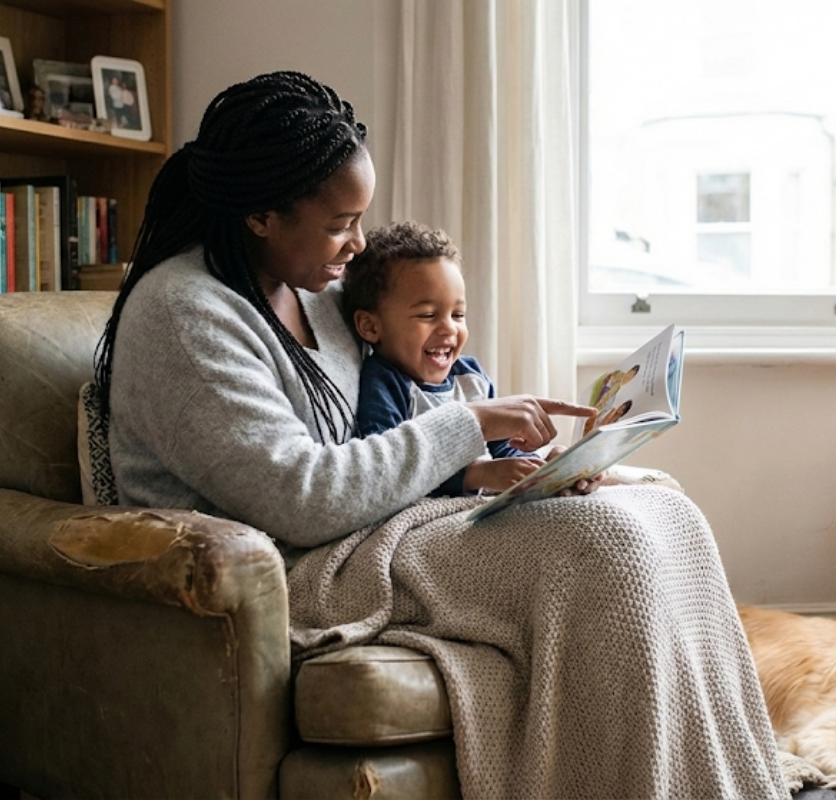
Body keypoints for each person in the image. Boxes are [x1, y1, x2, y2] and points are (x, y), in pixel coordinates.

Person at [95, 71, 788, 799]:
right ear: (261, 215)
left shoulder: (319, 297)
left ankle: (737, 784)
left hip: (375, 526)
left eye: (360, 219)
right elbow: (299, 498)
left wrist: (509, 466)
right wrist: (471, 425)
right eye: (339, 224)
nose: (358, 245)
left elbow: (390, 424)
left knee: (659, 504)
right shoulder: (183, 313)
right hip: (294, 568)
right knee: (599, 546)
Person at [343, 220, 576, 497]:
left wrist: (546, 468)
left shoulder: (470, 376)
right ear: (370, 326)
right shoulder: (383, 384)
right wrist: (473, 476)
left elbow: (503, 449)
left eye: (458, 315)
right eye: (428, 315)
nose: (449, 329)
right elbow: (389, 473)